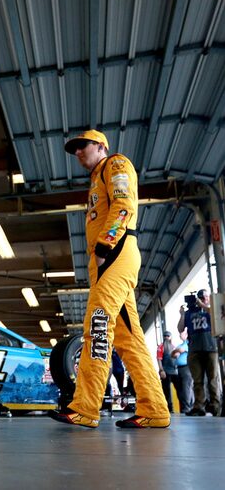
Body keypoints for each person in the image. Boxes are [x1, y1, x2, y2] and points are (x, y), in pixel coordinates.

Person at [50, 129, 170, 428]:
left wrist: (105, 245)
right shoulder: (97, 178)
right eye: (75, 149)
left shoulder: (116, 164)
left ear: (101, 146)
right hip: (109, 258)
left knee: (97, 324)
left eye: (83, 146)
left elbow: (124, 206)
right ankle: (154, 409)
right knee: (130, 340)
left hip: (115, 253)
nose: (78, 153)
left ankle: (85, 408)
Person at [178, 289, 222, 416]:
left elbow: (215, 315)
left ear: (208, 298)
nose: (203, 299)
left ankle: (215, 405)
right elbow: (180, 329)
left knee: (213, 379)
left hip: (211, 348)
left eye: (205, 297)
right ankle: (199, 406)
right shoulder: (189, 313)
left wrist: (202, 305)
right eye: (200, 298)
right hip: (194, 349)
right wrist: (182, 314)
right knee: (197, 380)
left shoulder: (209, 309)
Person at [157, 331, 183, 413]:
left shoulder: (174, 347)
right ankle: (169, 409)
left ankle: (183, 408)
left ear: (171, 337)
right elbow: (159, 359)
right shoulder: (161, 347)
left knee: (180, 390)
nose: (166, 337)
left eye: (168, 336)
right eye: (165, 336)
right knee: (166, 392)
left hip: (175, 372)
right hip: (166, 372)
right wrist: (161, 370)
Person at [174, 330, 193, 413]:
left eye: (181, 333)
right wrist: (176, 351)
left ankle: (188, 407)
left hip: (187, 368)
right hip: (179, 369)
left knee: (186, 388)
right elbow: (173, 354)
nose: (179, 335)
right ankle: (185, 406)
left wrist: (178, 350)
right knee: (181, 389)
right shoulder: (180, 345)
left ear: (186, 334)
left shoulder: (189, 343)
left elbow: (181, 350)